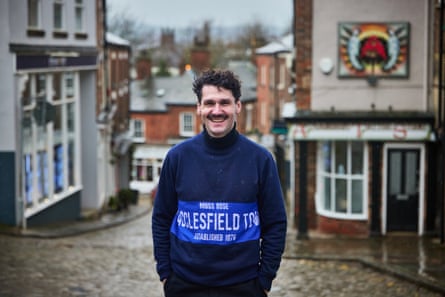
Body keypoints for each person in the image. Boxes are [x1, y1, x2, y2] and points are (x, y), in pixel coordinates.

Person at [152, 69, 287, 297]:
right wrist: (166, 273)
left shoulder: (260, 159)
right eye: (209, 103)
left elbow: (275, 224)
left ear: (238, 106)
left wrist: (264, 280)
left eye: (224, 103)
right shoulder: (177, 157)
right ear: (199, 108)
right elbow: (162, 218)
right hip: (185, 285)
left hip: (243, 287)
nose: (217, 111)